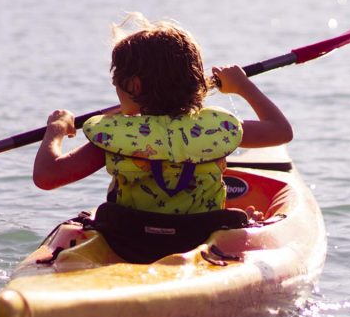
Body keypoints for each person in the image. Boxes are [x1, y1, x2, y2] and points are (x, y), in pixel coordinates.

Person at [34, 17, 292, 225]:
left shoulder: (115, 136)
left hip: (129, 239)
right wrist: (243, 86)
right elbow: (281, 131)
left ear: (134, 85)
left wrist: (55, 130)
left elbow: (47, 176)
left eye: (117, 84)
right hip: (204, 236)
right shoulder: (219, 129)